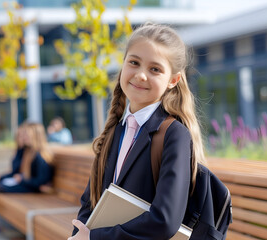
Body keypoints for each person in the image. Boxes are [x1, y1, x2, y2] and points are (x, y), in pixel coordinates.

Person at [69, 23, 206, 240]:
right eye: (134, 62)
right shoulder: (115, 131)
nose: (141, 75)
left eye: (155, 69)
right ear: (123, 65)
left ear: (173, 80)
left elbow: (165, 221)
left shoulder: (174, 135)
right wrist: (79, 235)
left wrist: (95, 238)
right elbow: (90, 202)